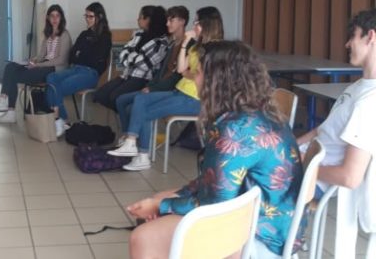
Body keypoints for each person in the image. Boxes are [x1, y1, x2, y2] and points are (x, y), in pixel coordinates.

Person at [127, 40, 303, 259]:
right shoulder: (256, 112)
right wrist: (165, 201)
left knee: (143, 236)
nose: (193, 77)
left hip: (261, 238)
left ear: (219, 81)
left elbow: (214, 203)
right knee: (160, 200)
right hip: (272, 223)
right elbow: (213, 181)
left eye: (198, 72)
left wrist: (162, 206)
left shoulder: (235, 130)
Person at [109, 6, 223, 171]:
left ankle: (141, 154)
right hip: (180, 92)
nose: (194, 26)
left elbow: (200, 75)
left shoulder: (216, 49)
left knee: (144, 111)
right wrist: (185, 43)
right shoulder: (195, 46)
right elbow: (181, 70)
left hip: (195, 99)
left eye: (197, 22)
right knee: (140, 100)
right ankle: (131, 143)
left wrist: (190, 73)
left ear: (208, 24)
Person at [296, 9, 376, 236]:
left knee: (239, 178)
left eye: (353, 36)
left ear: (371, 37)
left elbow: (350, 177)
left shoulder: (370, 102)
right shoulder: (357, 87)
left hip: (312, 179)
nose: (347, 43)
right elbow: (323, 129)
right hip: (302, 162)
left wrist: (304, 164)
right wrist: (291, 146)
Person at [0, 4, 72, 123]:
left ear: (61, 18)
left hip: (54, 69)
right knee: (11, 66)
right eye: (52, 16)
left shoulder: (64, 35)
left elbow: (61, 60)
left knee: (13, 76)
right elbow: (41, 55)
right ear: (48, 18)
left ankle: (10, 111)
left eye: (57, 16)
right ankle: (4, 100)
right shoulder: (48, 34)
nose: (55, 19)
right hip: (43, 65)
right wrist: (32, 60)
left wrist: (38, 65)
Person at [45, 2, 112, 136]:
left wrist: (81, 53)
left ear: (99, 17)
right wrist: (80, 54)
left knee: (57, 87)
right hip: (75, 68)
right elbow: (72, 53)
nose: (87, 19)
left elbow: (97, 59)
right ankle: (62, 120)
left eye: (90, 16)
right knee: (51, 78)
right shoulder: (83, 34)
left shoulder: (105, 37)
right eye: (86, 16)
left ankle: (60, 120)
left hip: (90, 73)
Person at [93, 5, 169, 111]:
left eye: (140, 17)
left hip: (142, 79)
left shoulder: (161, 42)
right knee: (99, 95)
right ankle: (127, 114)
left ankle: (130, 114)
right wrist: (135, 57)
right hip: (127, 75)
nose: (137, 20)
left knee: (115, 97)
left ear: (148, 19)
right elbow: (122, 54)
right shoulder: (138, 34)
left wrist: (130, 56)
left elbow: (144, 64)